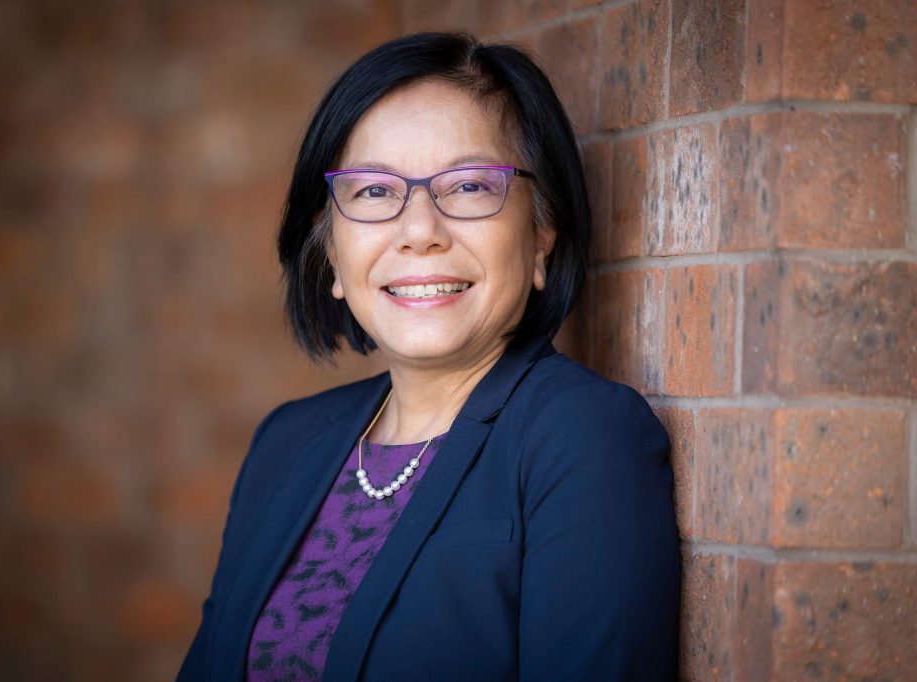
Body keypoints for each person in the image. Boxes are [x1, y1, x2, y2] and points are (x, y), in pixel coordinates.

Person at [178, 32, 680, 681]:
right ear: (330, 253)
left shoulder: (581, 438)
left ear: (541, 237)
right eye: (374, 192)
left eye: (470, 186)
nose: (419, 232)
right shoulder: (287, 443)